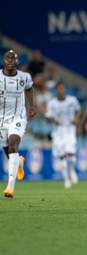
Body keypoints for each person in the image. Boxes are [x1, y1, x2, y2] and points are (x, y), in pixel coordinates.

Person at [1, 50, 36, 198]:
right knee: (8, 151)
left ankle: (10, 187)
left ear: (17, 62)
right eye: (7, 58)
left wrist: (32, 105)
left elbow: (29, 89)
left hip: (18, 117)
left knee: (13, 145)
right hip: (2, 119)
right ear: (3, 61)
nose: (10, 60)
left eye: (12, 58)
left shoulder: (24, 77)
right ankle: (20, 164)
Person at [45, 81, 80, 189]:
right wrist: (53, 120)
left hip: (70, 129)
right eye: (59, 88)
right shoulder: (52, 103)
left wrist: (76, 119)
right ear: (56, 90)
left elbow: (78, 110)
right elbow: (47, 117)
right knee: (61, 156)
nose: (62, 90)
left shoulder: (72, 100)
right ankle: (66, 179)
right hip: (58, 131)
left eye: (63, 88)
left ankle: (72, 169)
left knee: (70, 153)